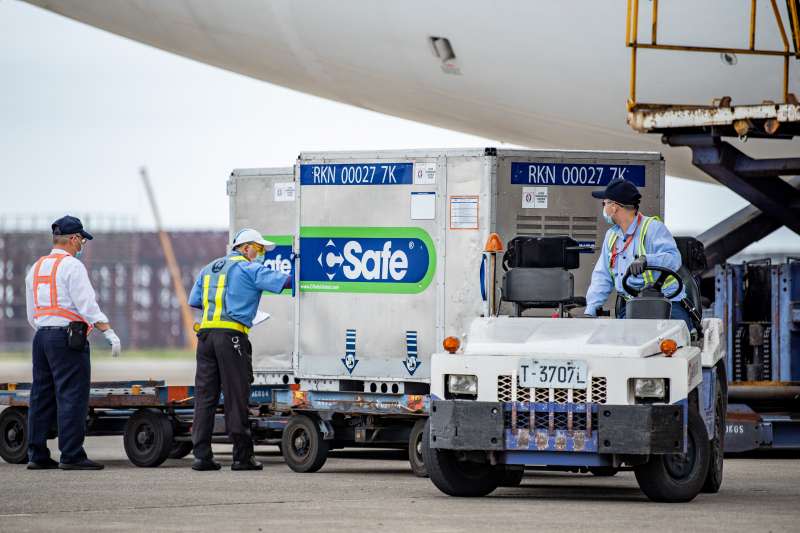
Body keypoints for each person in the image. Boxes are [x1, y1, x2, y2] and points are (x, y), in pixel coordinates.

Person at [24, 216, 122, 470]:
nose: (82, 246)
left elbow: (31, 311)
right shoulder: (72, 267)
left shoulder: (36, 267)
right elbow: (87, 305)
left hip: (42, 336)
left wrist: (46, 329)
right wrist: (108, 331)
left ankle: (36, 454)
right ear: (74, 238)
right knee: (72, 395)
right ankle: (71, 455)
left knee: (41, 395)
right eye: (82, 240)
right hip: (67, 339)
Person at [188, 228, 290, 471]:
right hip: (231, 337)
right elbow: (285, 282)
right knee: (236, 397)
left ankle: (201, 456)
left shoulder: (209, 267)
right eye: (259, 248)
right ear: (245, 248)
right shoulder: (247, 267)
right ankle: (242, 457)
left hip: (205, 338)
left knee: (205, 397)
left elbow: (194, 301)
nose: (260, 253)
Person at [583, 179, 693, 330]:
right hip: (631, 305)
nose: (604, 207)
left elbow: (674, 259)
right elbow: (602, 276)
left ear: (614, 207)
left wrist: (646, 260)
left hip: (667, 303)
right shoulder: (611, 236)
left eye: (605, 203)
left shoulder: (653, 228)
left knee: (676, 340)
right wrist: (591, 309)